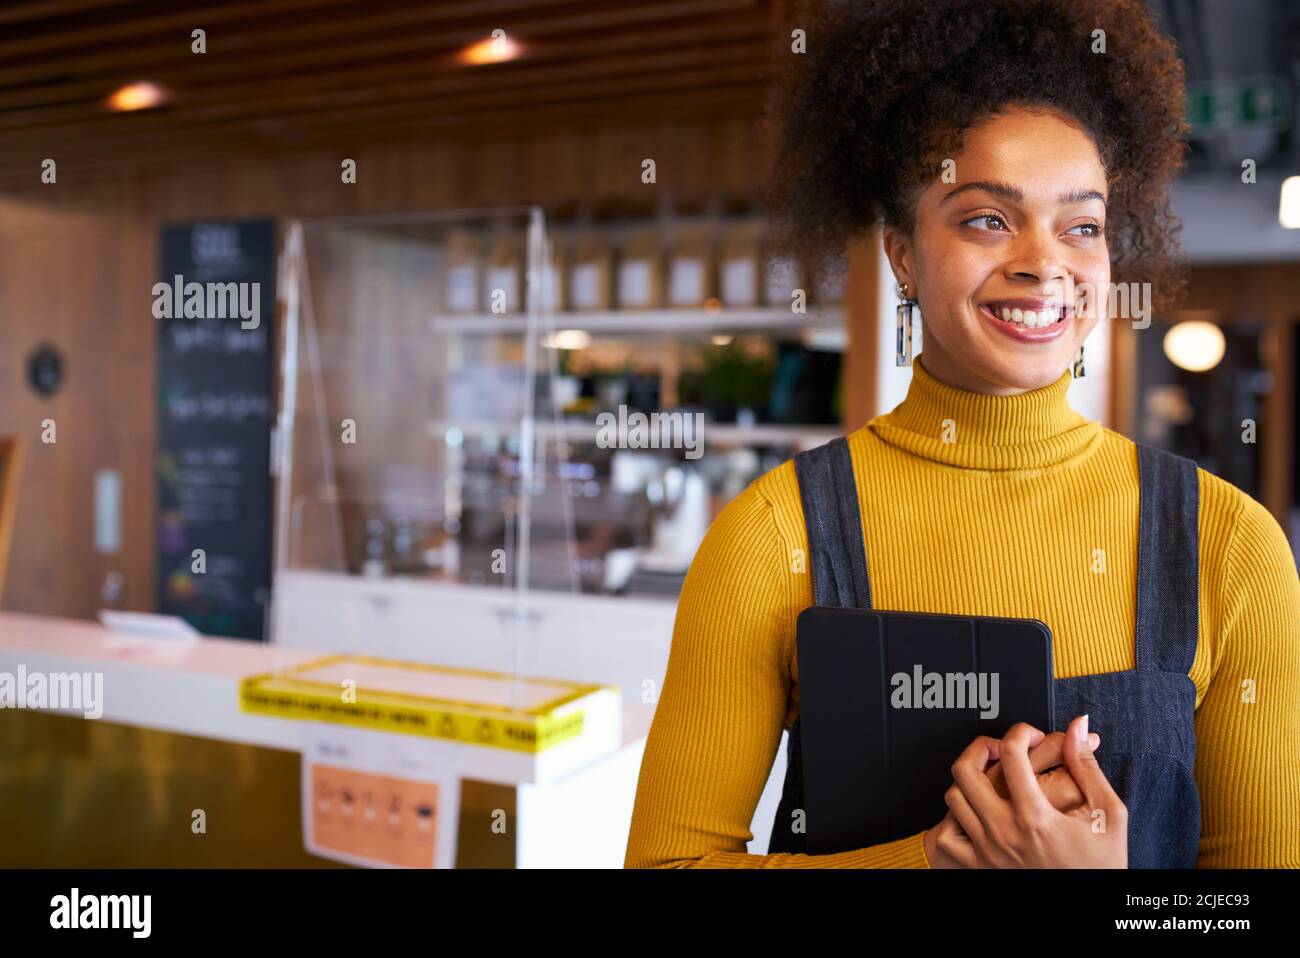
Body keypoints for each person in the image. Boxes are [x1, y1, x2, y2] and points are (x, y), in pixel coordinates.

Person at [624, 0, 1300, 868]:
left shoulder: (1229, 544)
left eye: (1082, 225)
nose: (1044, 261)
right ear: (903, 251)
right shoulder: (775, 536)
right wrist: (937, 861)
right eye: (987, 217)